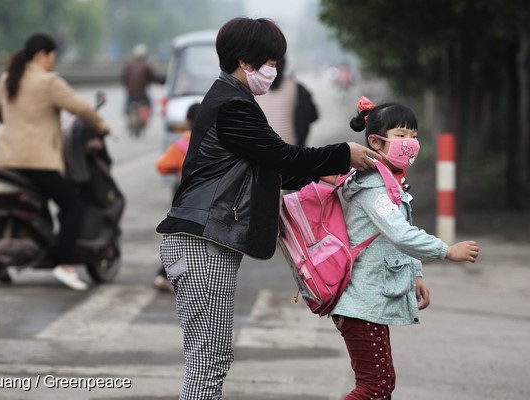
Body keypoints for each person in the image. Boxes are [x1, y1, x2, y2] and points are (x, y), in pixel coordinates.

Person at [156, 17, 380, 399]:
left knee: (210, 358)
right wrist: (344, 153)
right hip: (202, 244)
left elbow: (268, 168)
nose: (273, 71)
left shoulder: (233, 98)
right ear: (245, 62)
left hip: (204, 242)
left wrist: (324, 177)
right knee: (208, 360)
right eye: (270, 62)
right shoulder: (231, 105)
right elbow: (281, 155)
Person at [329, 96, 480, 399]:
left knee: (381, 386)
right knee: (375, 387)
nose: (410, 142)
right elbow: (400, 234)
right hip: (361, 306)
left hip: (368, 305)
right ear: (376, 142)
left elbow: (399, 234)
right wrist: (446, 251)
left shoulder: (390, 183)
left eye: (413, 135)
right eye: (401, 136)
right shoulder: (372, 186)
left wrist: (416, 276)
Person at [0, 33, 110, 291]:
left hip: (4, 159)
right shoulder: (48, 82)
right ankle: (65, 265)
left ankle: (8, 258)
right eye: (53, 55)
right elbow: (82, 108)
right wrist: (102, 127)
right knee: (71, 206)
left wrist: (13, 126)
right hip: (37, 162)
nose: (53, 61)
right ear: (43, 54)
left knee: (28, 206)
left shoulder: (7, 77)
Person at [153, 102, 201, 292]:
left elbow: (162, 165)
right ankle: (166, 275)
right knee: (191, 242)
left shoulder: (183, 143)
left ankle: (165, 275)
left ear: (188, 122)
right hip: (206, 199)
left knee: (180, 239)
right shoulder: (214, 140)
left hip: (183, 198)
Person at [255, 56, 318, 146]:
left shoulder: (255, 87)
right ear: (285, 65)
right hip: (291, 148)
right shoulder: (296, 87)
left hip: (261, 148)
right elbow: (312, 114)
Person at [121, 43, 158, 115]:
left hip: (130, 94)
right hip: (142, 94)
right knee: (149, 104)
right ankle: (148, 114)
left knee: (126, 106)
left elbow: (124, 79)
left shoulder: (129, 65)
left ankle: (126, 112)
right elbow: (152, 78)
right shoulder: (146, 66)